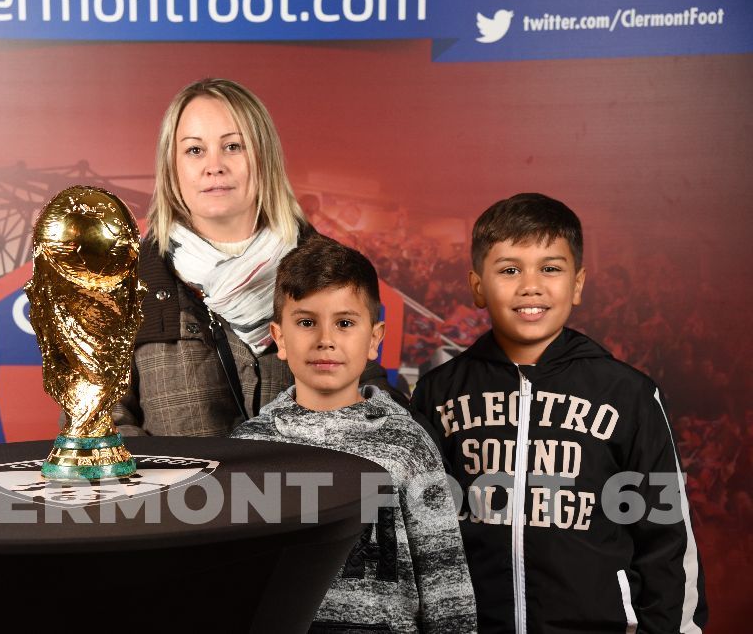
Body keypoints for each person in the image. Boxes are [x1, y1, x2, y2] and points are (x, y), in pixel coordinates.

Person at [410, 193, 707, 632]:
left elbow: (666, 535)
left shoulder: (628, 393)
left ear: (578, 284)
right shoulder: (438, 392)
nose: (530, 286)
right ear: (477, 286)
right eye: (509, 270)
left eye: (550, 268)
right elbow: (418, 530)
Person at [113, 78, 403, 436]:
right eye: (195, 150)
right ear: (172, 166)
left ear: (263, 157)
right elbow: (100, 427)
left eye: (233, 146)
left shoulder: (333, 271)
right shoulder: (124, 283)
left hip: (309, 476)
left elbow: (374, 407)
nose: (214, 166)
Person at [233, 236, 478, 633]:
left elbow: (445, 580)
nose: (325, 340)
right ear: (280, 338)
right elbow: (232, 579)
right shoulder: (249, 448)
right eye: (306, 322)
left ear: (374, 339)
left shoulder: (408, 444)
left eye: (344, 323)